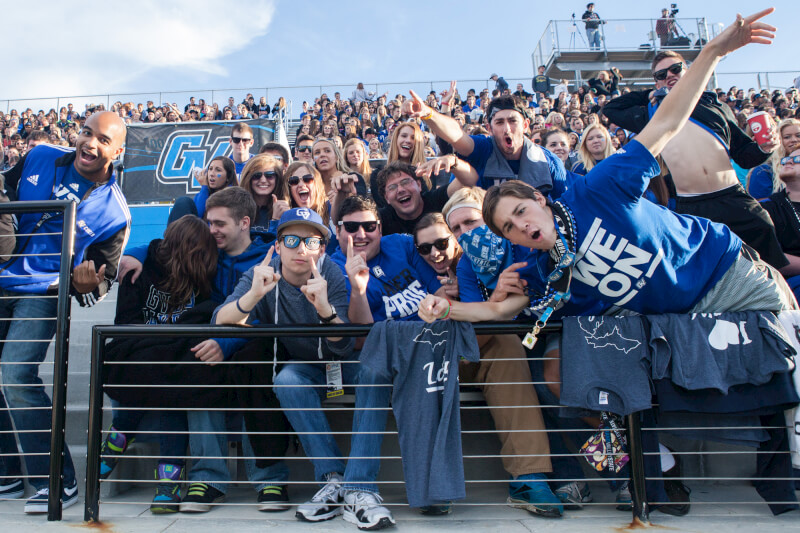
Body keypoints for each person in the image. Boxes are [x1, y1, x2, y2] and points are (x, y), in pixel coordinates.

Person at [420, 9, 792, 321]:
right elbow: (499, 312)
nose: (522, 226)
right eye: (509, 228)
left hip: (726, 276)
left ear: (539, 197)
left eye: (520, 211)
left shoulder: (598, 187)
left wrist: (712, 52)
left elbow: (665, 122)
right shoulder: (543, 268)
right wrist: (446, 309)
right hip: (680, 318)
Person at [0, 111, 130, 513]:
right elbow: (4, 187)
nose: (90, 144)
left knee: (14, 374)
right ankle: (6, 476)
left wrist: (89, 286)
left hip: (43, 290)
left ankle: (58, 480)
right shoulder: (39, 154)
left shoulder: (117, 213)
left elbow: (101, 281)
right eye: (86, 133)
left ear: (118, 151)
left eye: (103, 140)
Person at [603, 48, 790, 272]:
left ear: (690, 72)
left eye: (675, 69)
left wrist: (764, 148)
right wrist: (651, 94)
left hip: (732, 196)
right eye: (661, 75)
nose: (669, 76)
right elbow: (612, 108)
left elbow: (744, 155)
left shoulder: (716, 106)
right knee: (704, 275)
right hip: (692, 206)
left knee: (767, 260)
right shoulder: (653, 114)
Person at [100, 215, 217, 514]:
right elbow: (125, 324)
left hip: (171, 358)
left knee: (174, 384)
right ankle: (168, 481)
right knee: (162, 375)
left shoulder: (203, 278)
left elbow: (202, 320)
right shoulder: (139, 269)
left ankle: (121, 434)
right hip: (140, 352)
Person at [403, 93, 566, 197]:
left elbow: (562, 206)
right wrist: (428, 113)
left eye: (513, 121)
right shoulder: (485, 148)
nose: (507, 129)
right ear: (489, 128)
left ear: (525, 125)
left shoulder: (548, 161)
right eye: (500, 122)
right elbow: (457, 135)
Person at [373, 158, 475, 235]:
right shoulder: (380, 220)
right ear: (387, 198)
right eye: (392, 187)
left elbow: (470, 180)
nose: (400, 190)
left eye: (405, 182)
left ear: (419, 185)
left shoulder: (435, 199)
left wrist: (453, 162)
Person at [747, 118, 800, 199]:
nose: (794, 140)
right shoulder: (764, 171)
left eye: (798, 135)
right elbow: (759, 208)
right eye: (787, 137)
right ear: (779, 141)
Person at [239, 154, 287, 238]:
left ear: (277, 178)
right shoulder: (237, 207)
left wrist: (276, 220)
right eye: (256, 176)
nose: (263, 180)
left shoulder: (284, 209)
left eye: (269, 175)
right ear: (248, 178)